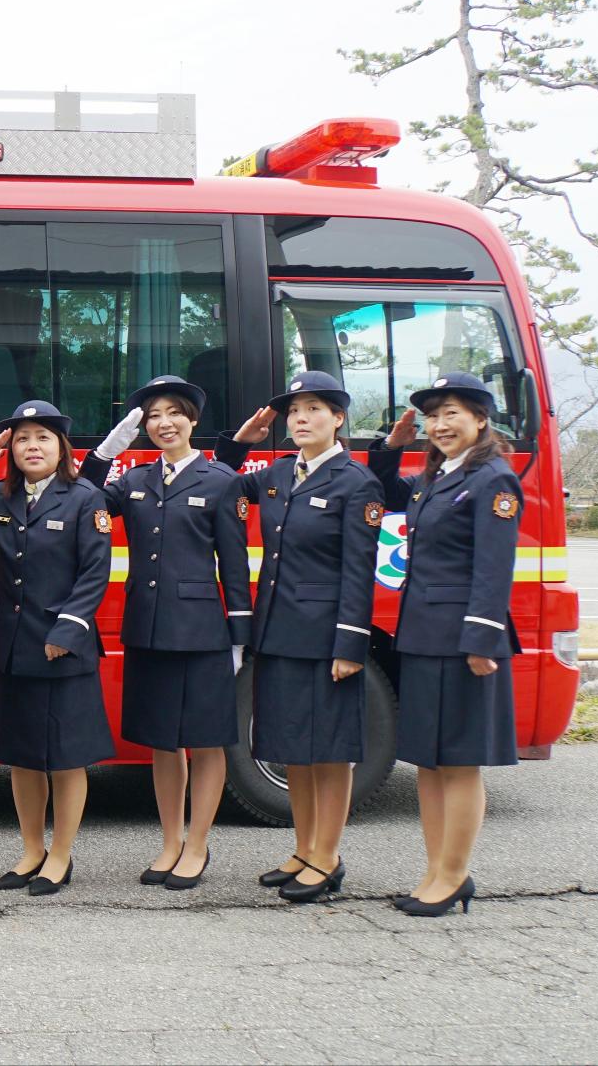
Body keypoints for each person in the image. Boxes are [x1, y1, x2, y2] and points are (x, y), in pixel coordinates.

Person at [81, 377, 255, 891]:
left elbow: (235, 562)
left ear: (193, 421)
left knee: (205, 742)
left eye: (175, 413)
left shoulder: (220, 480)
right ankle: (170, 842)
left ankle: (197, 844)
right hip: (148, 629)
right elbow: (84, 499)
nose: (164, 423)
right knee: (161, 744)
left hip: (202, 632)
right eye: (154, 415)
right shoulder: (133, 481)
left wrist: (239, 634)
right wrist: (106, 451)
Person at [217, 371, 382, 904]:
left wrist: (350, 646)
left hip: (325, 639)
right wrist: (238, 442)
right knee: (294, 751)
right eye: (294, 411)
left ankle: (328, 857)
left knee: (330, 753)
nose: (301, 419)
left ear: (338, 418)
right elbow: (218, 481)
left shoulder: (357, 485)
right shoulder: (277, 475)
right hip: (277, 633)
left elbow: (359, 570)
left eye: (314, 409)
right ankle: (304, 848)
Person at [369, 372, 521, 917]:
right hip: (422, 635)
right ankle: (434, 871)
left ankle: (454, 875)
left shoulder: (492, 481)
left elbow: (494, 566)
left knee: (458, 763)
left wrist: (482, 639)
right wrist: (391, 448)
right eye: (433, 416)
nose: (439, 425)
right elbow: (385, 492)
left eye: (452, 412)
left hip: (463, 642)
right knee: (428, 763)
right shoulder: (437, 478)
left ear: (481, 419)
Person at [0, 400, 113, 896]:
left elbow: (95, 572)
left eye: (43, 437)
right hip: (12, 646)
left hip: (64, 649)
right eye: (22, 439)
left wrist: (65, 632)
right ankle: (31, 850)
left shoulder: (86, 497)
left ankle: (61, 855)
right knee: (22, 755)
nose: (32, 447)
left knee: (66, 758)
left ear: (62, 447)